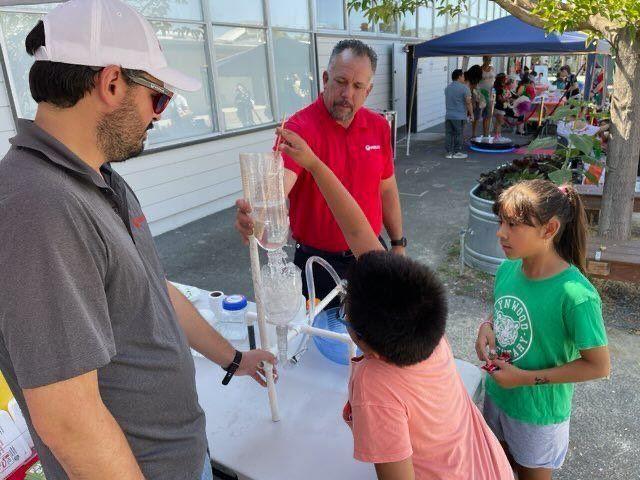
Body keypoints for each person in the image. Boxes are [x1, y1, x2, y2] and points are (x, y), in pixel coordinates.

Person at [0, 1, 275, 479]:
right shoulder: (38, 206)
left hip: (180, 456)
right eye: (159, 98)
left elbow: (153, 291)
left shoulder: (98, 180)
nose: (158, 116)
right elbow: (68, 421)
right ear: (111, 84)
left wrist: (234, 359)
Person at [274, 126, 514, 480]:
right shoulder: (423, 328)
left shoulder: (376, 387)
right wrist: (313, 164)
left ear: (358, 335)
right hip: (486, 466)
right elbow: (358, 233)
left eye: (346, 303)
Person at [235, 39, 405, 306]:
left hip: (370, 254)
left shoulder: (378, 127)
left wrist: (398, 243)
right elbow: (278, 185)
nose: (347, 93)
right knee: (317, 341)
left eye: (358, 86)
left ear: (368, 90)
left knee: (375, 339)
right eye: (340, 81)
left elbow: (387, 188)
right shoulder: (299, 128)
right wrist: (258, 210)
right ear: (325, 79)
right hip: (318, 263)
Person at [476, 180, 610, 480]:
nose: (500, 232)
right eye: (501, 222)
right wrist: (487, 325)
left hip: (538, 417)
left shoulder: (576, 295)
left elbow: (598, 366)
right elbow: (502, 309)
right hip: (497, 398)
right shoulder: (508, 268)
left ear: (549, 230)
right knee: (496, 469)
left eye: (513, 225)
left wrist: (524, 378)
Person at [444, 69, 473, 159]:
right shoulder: (465, 88)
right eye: (463, 76)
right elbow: (468, 102)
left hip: (448, 115)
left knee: (448, 134)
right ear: (459, 77)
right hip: (459, 115)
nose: (464, 78)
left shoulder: (447, 88)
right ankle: (457, 152)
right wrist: (471, 114)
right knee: (458, 133)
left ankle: (448, 153)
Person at [478, 56, 496, 136]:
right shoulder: (480, 69)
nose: (489, 61)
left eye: (490, 59)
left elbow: (494, 80)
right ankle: (476, 132)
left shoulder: (492, 69)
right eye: (488, 59)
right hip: (481, 94)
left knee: (488, 115)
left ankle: (486, 133)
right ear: (484, 60)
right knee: (478, 115)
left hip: (490, 94)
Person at [465, 64, 485, 138]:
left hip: (474, 98)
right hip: (472, 98)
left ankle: (472, 134)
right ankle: (473, 133)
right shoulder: (472, 79)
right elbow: (471, 89)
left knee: (473, 116)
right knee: (474, 116)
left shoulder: (468, 76)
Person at [493, 73, 509, 138]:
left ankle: (498, 135)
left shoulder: (498, 86)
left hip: (497, 106)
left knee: (498, 122)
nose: (506, 79)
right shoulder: (499, 88)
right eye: (505, 78)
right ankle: (497, 135)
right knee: (499, 122)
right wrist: (506, 99)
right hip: (499, 106)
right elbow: (499, 98)